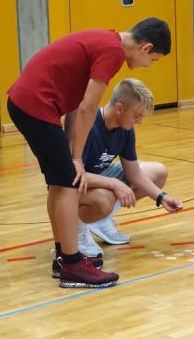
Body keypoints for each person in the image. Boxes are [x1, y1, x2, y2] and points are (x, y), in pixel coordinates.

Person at [7, 18, 171, 288]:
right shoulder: (113, 51)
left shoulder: (105, 40)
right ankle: (72, 264)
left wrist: (75, 155)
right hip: (35, 105)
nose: (147, 66)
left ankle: (64, 258)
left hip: (29, 103)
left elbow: (75, 106)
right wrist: (76, 158)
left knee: (61, 182)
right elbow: (87, 108)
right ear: (146, 47)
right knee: (67, 183)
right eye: (153, 60)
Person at [65, 78, 183, 265]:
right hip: (72, 184)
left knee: (158, 172)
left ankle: (101, 220)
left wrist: (161, 197)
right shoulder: (88, 125)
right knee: (105, 199)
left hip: (99, 175)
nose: (139, 121)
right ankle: (77, 230)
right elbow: (73, 174)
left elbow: (134, 173)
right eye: (137, 116)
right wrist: (115, 184)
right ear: (120, 108)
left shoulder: (126, 130)